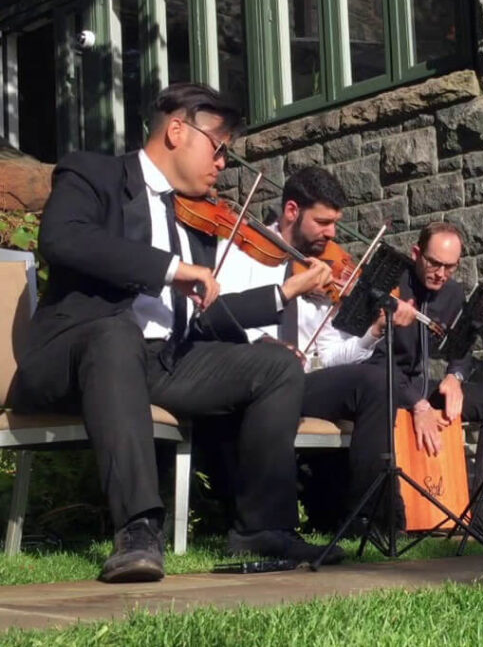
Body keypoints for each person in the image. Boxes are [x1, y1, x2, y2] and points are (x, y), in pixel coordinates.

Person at [9, 83, 341, 583]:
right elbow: (64, 238)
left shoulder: (199, 216)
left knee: (274, 367)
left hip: (164, 361)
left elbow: (207, 317)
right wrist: (171, 269)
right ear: (178, 130)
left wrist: (287, 291)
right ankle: (138, 529)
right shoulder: (92, 172)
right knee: (115, 334)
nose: (224, 162)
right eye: (220, 146)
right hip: (76, 354)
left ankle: (264, 528)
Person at [216, 165, 418, 532]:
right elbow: (222, 315)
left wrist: (373, 331)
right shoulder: (245, 250)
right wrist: (266, 341)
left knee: (376, 381)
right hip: (253, 379)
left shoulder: (320, 269)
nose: (333, 233)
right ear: (292, 210)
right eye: (323, 222)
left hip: (304, 380)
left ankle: (367, 517)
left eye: (335, 223)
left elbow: (328, 355)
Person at [366, 222, 483, 534]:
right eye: (434, 263)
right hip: (384, 386)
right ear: (417, 253)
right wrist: (418, 405)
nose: (440, 274)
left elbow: (462, 344)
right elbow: (377, 361)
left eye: (450, 266)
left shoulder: (453, 292)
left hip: (419, 385)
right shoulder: (390, 282)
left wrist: (454, 377)